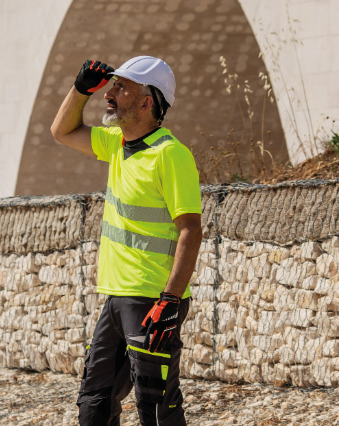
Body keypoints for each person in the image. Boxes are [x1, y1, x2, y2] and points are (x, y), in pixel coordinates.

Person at [50, 56, 202, 426]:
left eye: (121, 88)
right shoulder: (117, 143)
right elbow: (62, 131)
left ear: (147, 101)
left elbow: (191, 231)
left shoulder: (170, 155)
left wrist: (169, 300)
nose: (110, 94)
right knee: (94, 402)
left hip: (152, 301)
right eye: (111, 86)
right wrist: (79, 89)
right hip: (117, 298)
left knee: (156, 407)